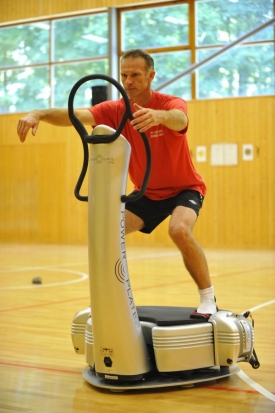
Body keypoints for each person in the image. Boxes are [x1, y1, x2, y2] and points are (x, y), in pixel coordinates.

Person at [17, 48, 217, 319]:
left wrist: (159, 116)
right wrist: (38, 114)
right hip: (147, 193)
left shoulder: (170, 103)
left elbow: (180, 119)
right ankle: (107, 299)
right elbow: (75, 115)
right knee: (105, 232)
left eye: (135, 74)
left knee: (179, 230)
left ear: (150, 76)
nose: (129, 80)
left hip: (185, 189)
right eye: (124, 75)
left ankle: (208, 299)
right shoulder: (115, 110)